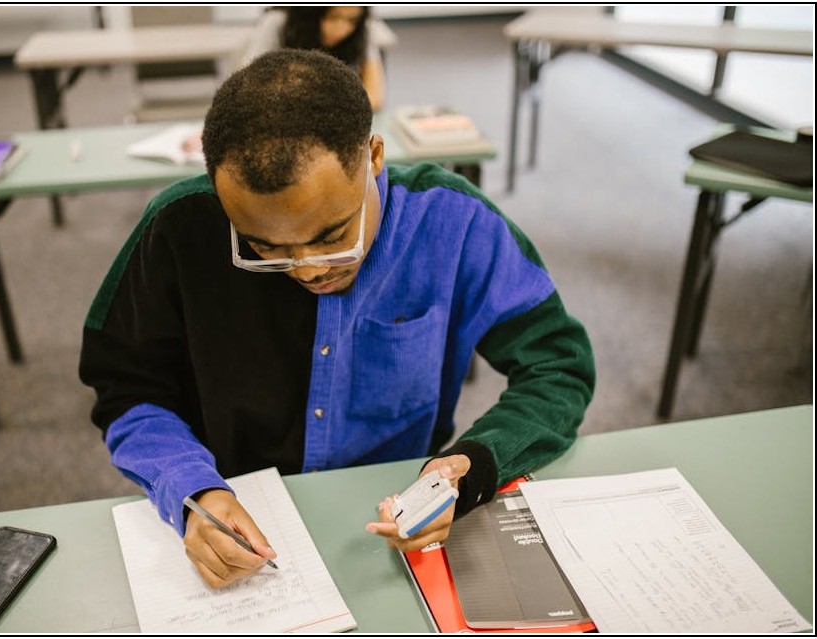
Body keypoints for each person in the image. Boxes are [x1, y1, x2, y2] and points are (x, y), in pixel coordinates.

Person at [79, 49, 595, 589]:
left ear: (374, 156)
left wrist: (473, 466)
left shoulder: (453, 221)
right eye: (265, 247)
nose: (308, 269)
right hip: (238, 510)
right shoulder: (177, 228)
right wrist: (191, 488)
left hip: (395, 524)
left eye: (333, 235)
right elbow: (126, 389)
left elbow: (558, 366)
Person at [239, 6, 387, 110]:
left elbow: (375, 96)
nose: (341, 29)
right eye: (332, 17)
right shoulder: (278, 22)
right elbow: (244, 84)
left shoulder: (361, 32)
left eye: (352, 20)